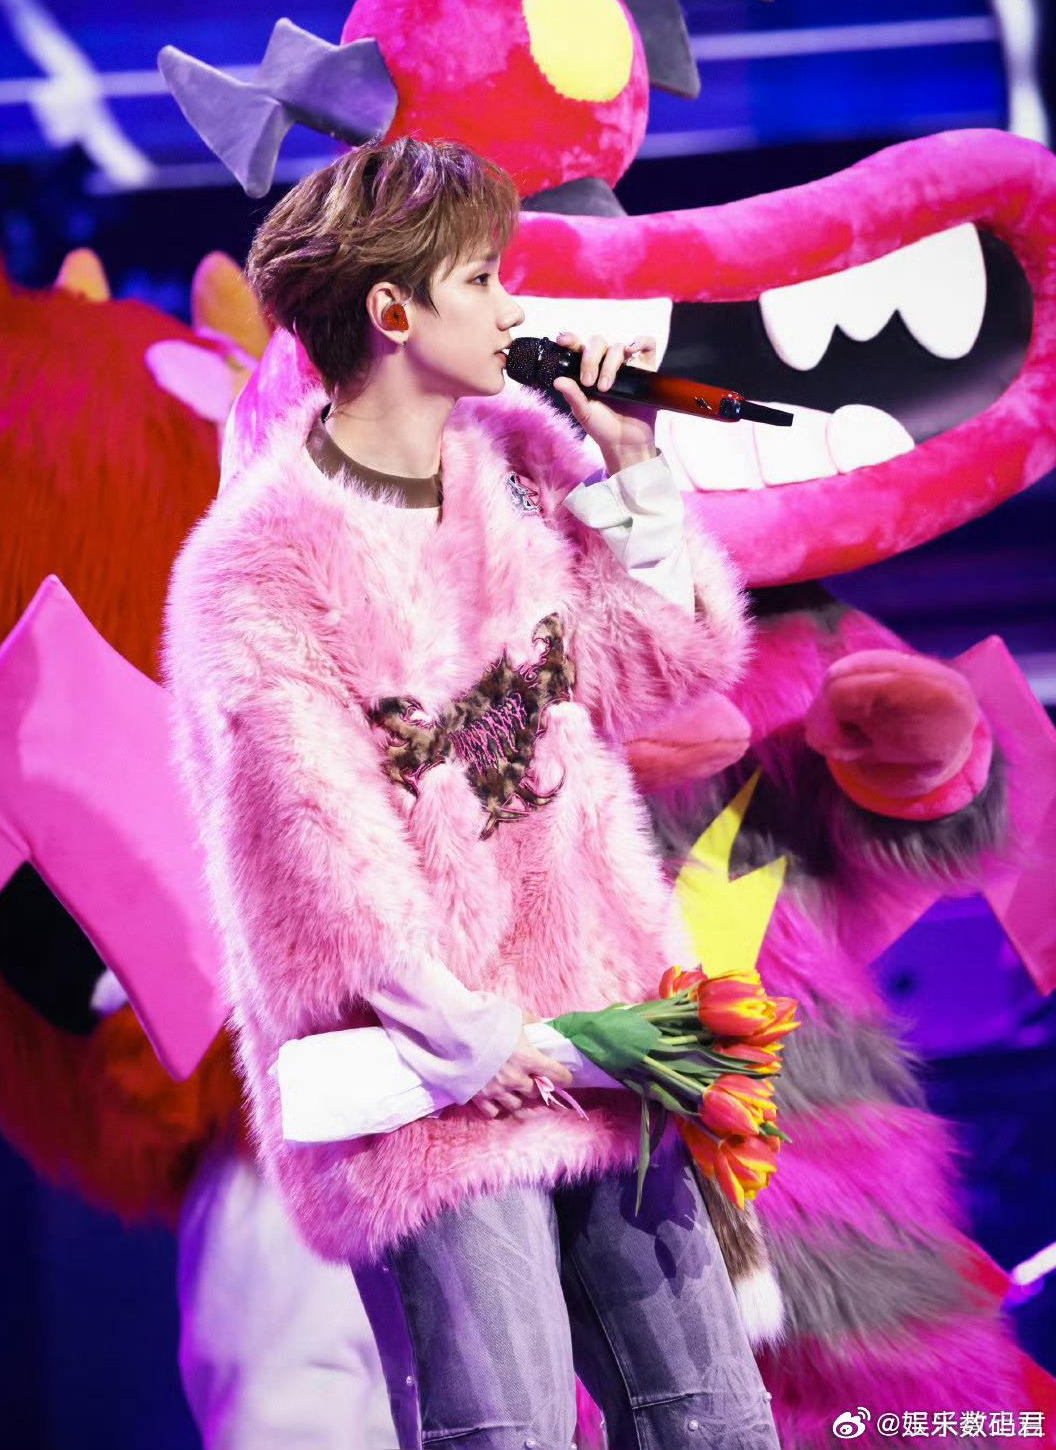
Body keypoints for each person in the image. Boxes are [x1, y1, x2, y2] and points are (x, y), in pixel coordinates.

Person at [163, 136, 778, 1450]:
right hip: (443, 1073)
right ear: (393, 311)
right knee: (508, 1424)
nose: (513, 308)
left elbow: (665, 657)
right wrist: (479, 1043)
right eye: (484, 277)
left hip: (603, 1032)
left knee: (716, 1417)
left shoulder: (518, 461)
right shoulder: (259, 567)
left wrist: (630, 467)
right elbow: (318, 865)